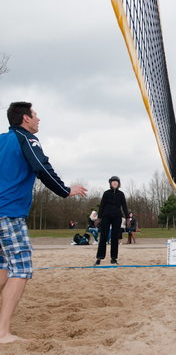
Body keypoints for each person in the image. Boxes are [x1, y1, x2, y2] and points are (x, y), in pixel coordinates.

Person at [0, 101, 87, 343]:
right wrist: (65, 190)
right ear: (25, 119)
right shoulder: (26, 138)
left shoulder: (1, 140)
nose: (38, 119)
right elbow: (42, 167)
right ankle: (2, 333)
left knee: (4, 265)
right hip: (8, 213)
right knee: (21, 268)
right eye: (35, 115)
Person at [94, 176, 129, 266]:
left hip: (117, 217)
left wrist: (128, 218)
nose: (114, 183)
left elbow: (124, 206)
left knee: (114, 237)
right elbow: (101, 206)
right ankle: (99, 258)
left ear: (118, 184)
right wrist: (99, 217)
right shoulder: (106, 193)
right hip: (106, 216)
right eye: (113, 182)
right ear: (110, 183)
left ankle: (113, 258)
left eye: (116, 182)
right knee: (103, 237)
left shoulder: (121, 194)